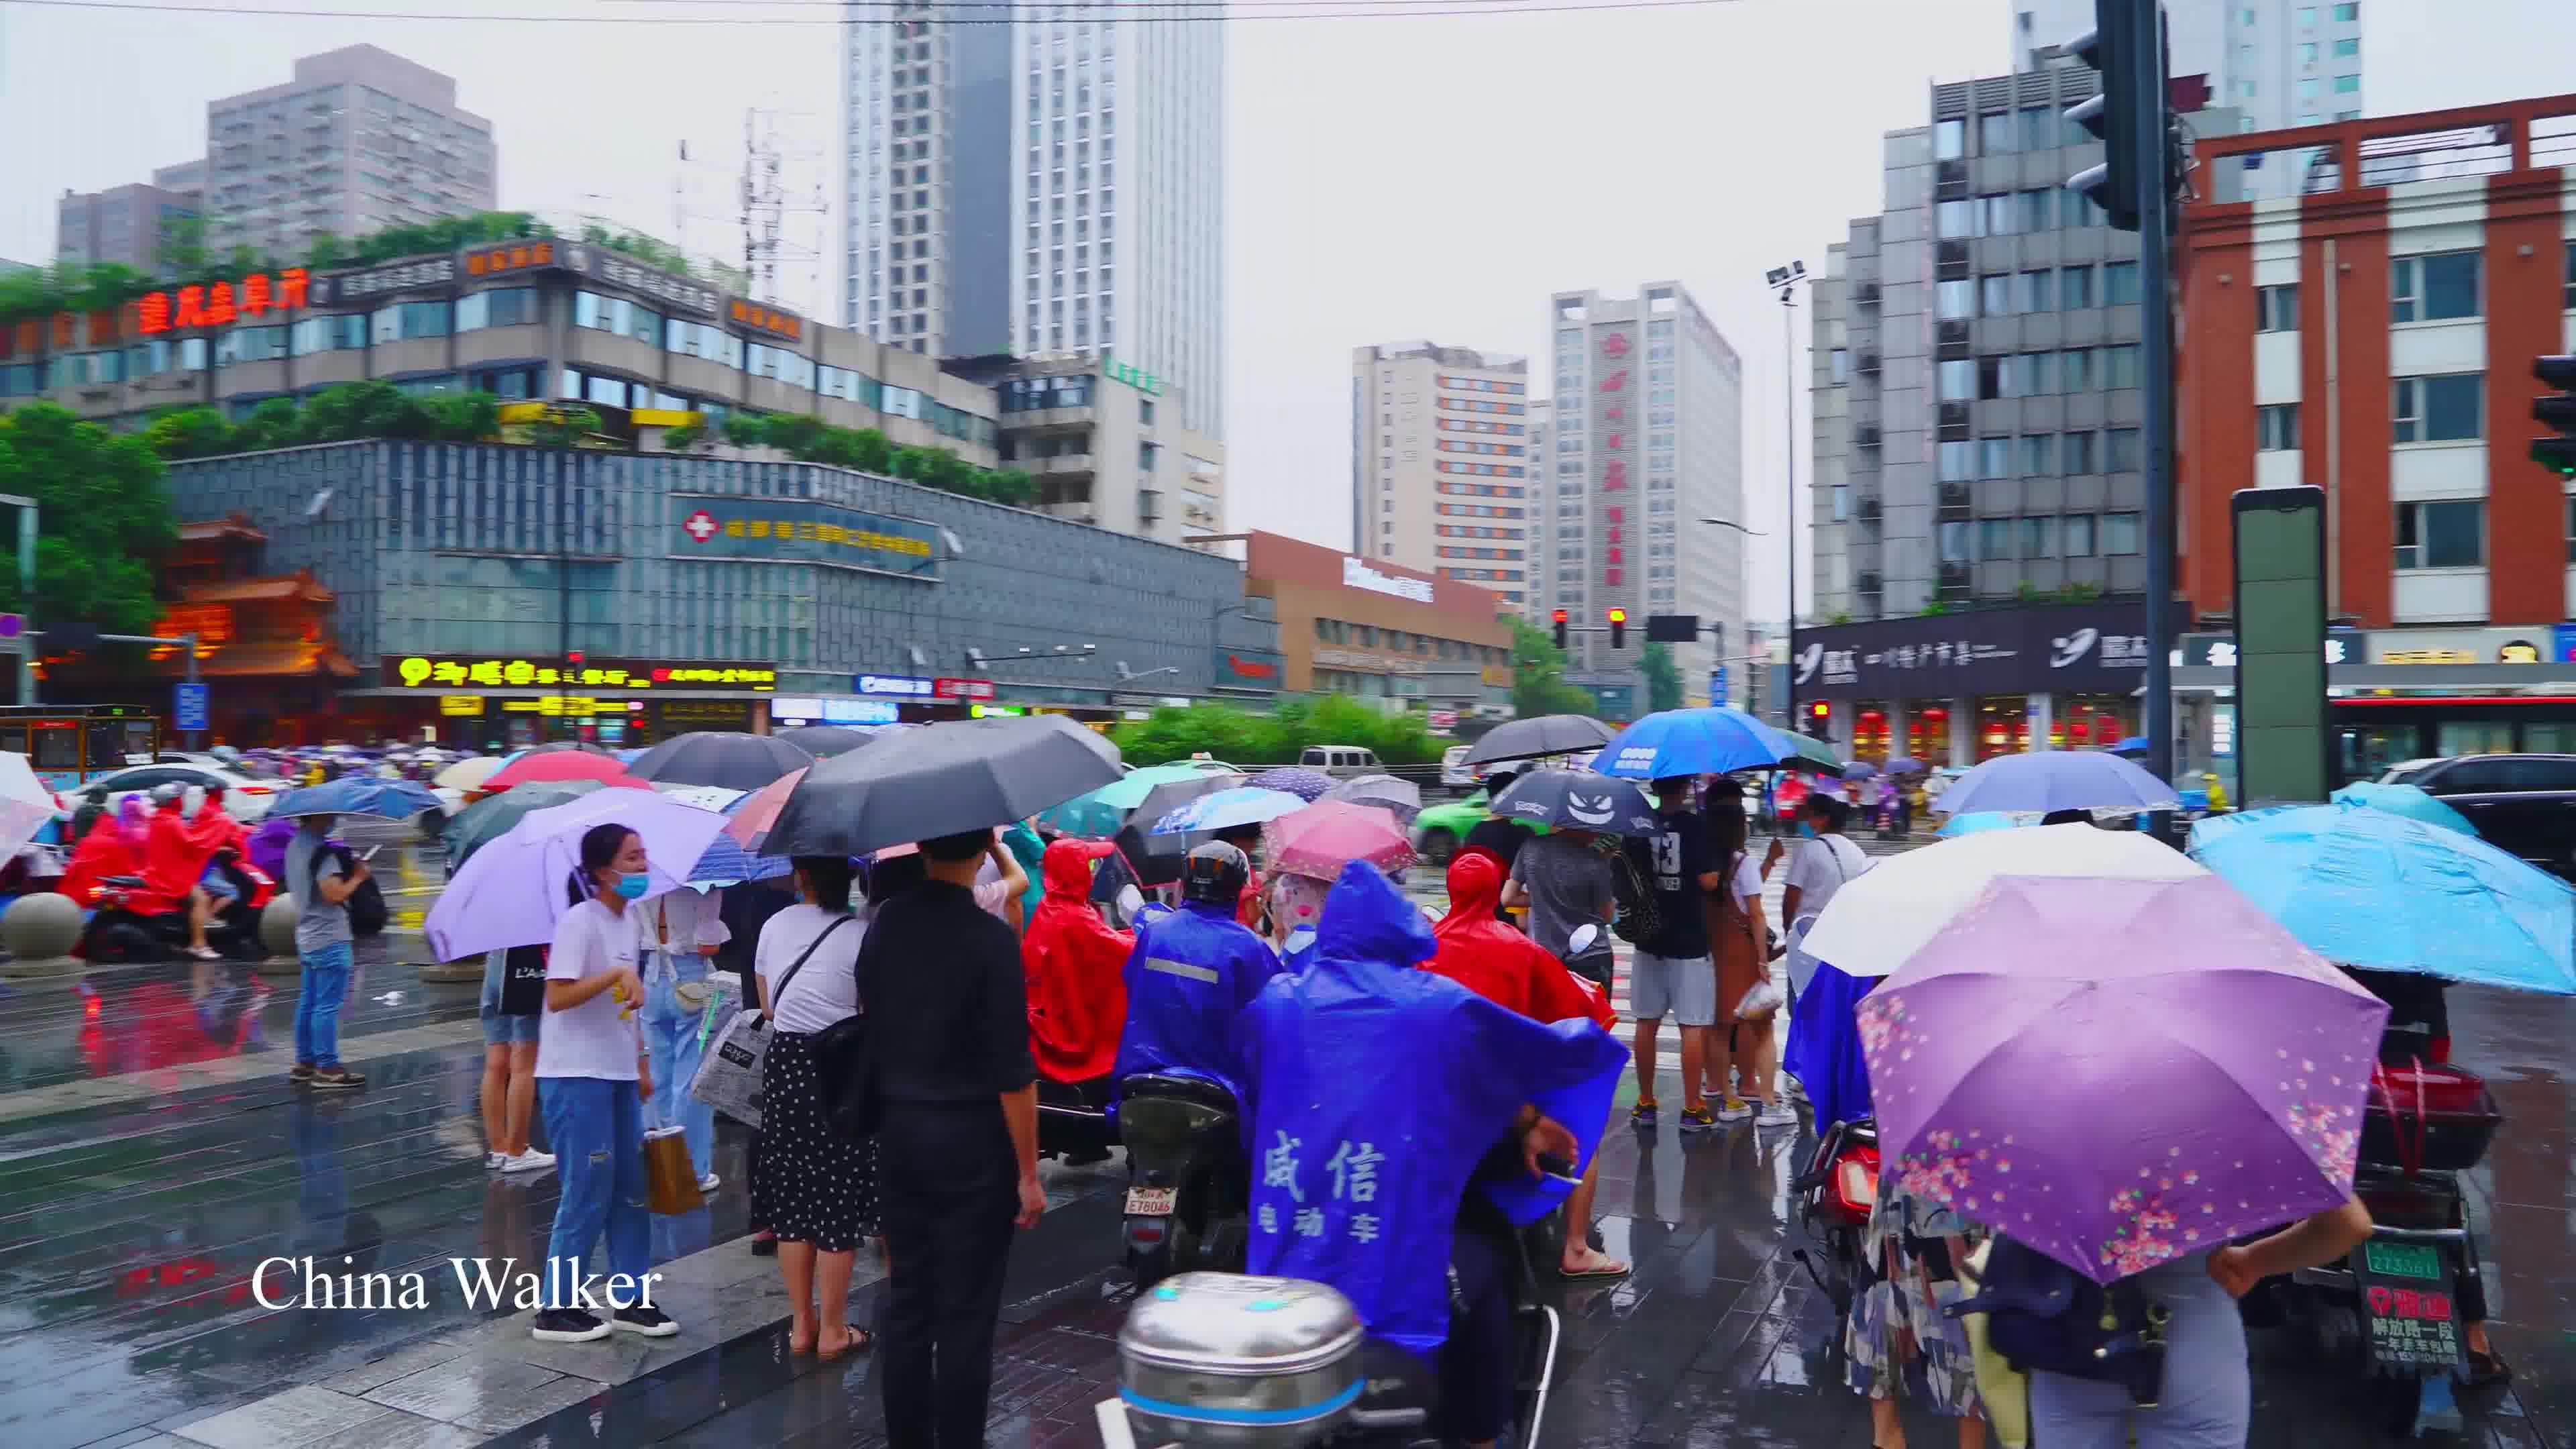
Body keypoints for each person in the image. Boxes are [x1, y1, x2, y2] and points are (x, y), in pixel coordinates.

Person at [1237, 863, 1629, 1448]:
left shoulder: (1278, 999)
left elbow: (1252, 1079)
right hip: (1394, 1274)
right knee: (1483, 1287)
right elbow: (1523, 1056)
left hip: (1286, 1261)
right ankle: (1480, 1434)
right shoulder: (1437, 1004)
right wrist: (1548, 1099)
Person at [859, 827, 1046, 1449]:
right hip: (973, 1143)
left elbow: (868, 1010)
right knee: (966, 1310)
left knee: (910, 1300)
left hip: (900, 1130)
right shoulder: (990, 940)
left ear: (922, 850)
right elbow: (1013, 1073)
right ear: (978, 855)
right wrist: (1027, 1174)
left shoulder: (887, 924)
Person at [1428, 851, 1627, 1279]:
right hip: (1506, 1100)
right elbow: (1581, 1011)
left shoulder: (1423, 945)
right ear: (1494, 890)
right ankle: (1576, 1248)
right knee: (1583, 1133)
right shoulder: (1518, 947)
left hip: (1435, 1094)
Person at [2030, 1199, 2372, 1446]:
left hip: (2072, 1345)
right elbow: (2349, 1225)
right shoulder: (2237, 1107)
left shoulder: (2039, 1110)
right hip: (2196, 1344)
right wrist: (2255, 1261)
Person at [529, 822, 680, 1344]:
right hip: (575, 1075)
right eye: (633, 858)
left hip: (616, 1073)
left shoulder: (629, 921)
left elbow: (627, 1003)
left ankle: (631, 1298)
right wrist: (616, 977)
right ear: (602, 871)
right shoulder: (580, 922)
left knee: (630, 1189)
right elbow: (559, 996)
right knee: (587, 1188)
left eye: (644, 855)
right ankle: (556, 1306)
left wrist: (639, 1063)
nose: (643, 866)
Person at [751, 855, 875, 1361]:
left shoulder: (775, 924)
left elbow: (768, 1008)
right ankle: (835, 1330)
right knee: (836, 1198)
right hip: (839, 1067)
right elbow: (869, 1008)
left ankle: (802, 1327)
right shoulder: (861, 933)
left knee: (793, 1202)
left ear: (801, 876)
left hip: (786, 1064)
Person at [1112, 842, 1282, 1104]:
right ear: (1236, 887)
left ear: (1185, 883)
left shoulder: (1154, 933)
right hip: (1217, 1094)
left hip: (1141, 1084)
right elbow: (1272, 1021)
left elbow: (1132, 987)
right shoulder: (1251, 947)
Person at [1845, 1176, 1988, 1449]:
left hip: (1908, 1208)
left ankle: (1887, 1438)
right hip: (1956, 1206)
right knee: (1965, 1322)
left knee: (1886, 1309)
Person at [1623, 775, 1725, 1130]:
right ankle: (1693, 1107)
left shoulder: (1638, 826)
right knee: (1692, 1025)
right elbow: (1709, 881)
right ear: (1683, 790)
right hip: (1689, 940)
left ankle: (1645, 1102)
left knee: (1646, 1022)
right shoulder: (1696, 827)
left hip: (1647, 938)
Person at [635, 882, 729, 1193]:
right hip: (691, 980)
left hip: (651, 979)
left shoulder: (647, 876)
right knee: (692, 1077)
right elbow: (707, 946)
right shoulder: (703, 880)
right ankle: (691, 1171)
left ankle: (661, 1164)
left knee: (659, 1076)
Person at [1704, 781, 1786, 1125]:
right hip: (1743, 955)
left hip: (1714, 953)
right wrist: (1763, 961)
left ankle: (1728, 1100)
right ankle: (1768, 1103)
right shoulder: (1743, 863)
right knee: (1762, 1027)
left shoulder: (1704, 867)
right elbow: (1755, 913)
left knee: (1721, 1029)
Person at [1023, 838, 1133, 1086]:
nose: (1093, 871)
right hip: (1068, 1024)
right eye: (1089, 864)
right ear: (1075, 870)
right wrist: (1148, 935)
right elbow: (1116, 949)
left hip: (1051, 1012)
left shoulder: (1052, 905)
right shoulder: (1075, 917)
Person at [284, 812, 370, 1089]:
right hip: (329, 936)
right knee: (327, 1005)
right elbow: (333, 894)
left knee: (309, 1001)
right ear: (318, 817)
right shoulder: (324, 856)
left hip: (306, 934)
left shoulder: (295, 845)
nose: (334, 818)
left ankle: (305, 1062)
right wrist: (358, 876)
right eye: (330, 815)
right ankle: (328, 1067)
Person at [1777, 794, 1870, 999]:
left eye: (1808, 815)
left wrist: (1788, 935)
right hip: (1844, 941)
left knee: (1804, 1001)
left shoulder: (1809, 850)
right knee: (1835, 1001)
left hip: (1808, 941)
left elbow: (1791, 898)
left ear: (1823, 819)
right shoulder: (1857, 852)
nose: (1804, 820)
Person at [1501, 824, 1617, 981]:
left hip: (1545, 956)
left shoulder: (1531, 847)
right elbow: (1608, 916)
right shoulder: (1595, 860)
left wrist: (1544, 896)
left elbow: (1508, 899)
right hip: (1590, 954)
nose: (1598, 834)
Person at [478, 943, 553, 1172]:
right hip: (524, 967)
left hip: (495, 963)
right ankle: (517, 1150)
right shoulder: (534, 911)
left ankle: (498, 1149)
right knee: (524, 1064)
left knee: (496, 1064)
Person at [142, 786, 221, 959]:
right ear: (173, 800)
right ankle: (199, 945)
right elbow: (192, 844)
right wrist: (216, 836)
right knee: (202, 899)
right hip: (170, 877)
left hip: (161, 872)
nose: (183, 800)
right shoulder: (171, 821)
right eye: (180, 797)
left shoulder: (159, 819)